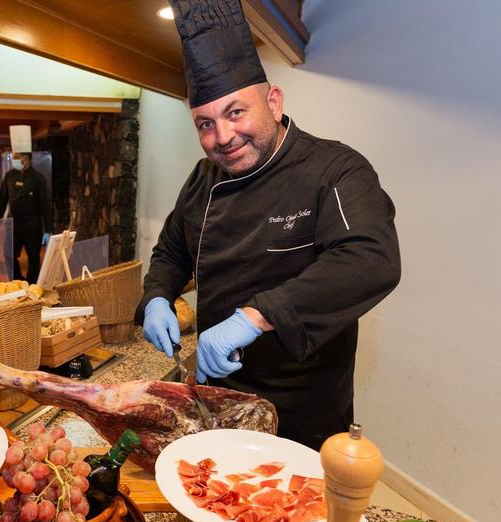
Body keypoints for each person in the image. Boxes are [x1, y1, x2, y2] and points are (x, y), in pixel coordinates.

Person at [135, 0, 401, 451]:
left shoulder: (335, 169)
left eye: (235, 112)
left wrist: (254, 319)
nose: (222, 137)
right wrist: (157, 295)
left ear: (273, 102)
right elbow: (172, 253)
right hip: (215, 393)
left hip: (301, 407)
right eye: (205, 123)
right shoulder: (203, 179)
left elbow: (370, 259)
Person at [0, 152, 52, 284]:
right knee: (9, 255)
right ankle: (17, 281)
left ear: (27, 159)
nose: (15, 161)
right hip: (13, 223)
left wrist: (48, 229)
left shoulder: (38, 178)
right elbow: (2, 200)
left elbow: (45, 205)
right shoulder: (9, 176)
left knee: (33, 258)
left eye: (17, 158)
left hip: (32, 224)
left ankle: (32, 284)